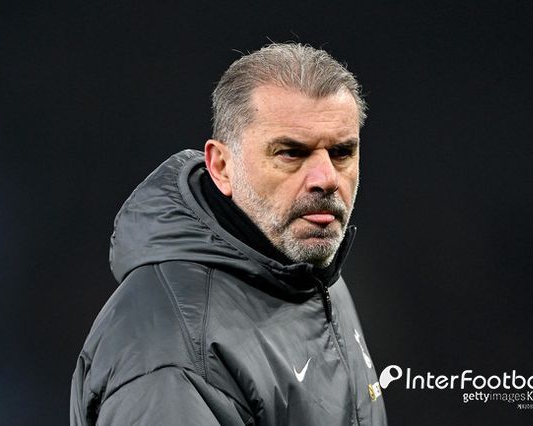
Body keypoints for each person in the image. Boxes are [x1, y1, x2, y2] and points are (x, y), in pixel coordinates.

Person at [71, 43, 388, 425]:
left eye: (341, 153)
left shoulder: (313, 274)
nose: (326, 179)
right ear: (222, 166)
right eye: (291, 153)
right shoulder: (172, 355)